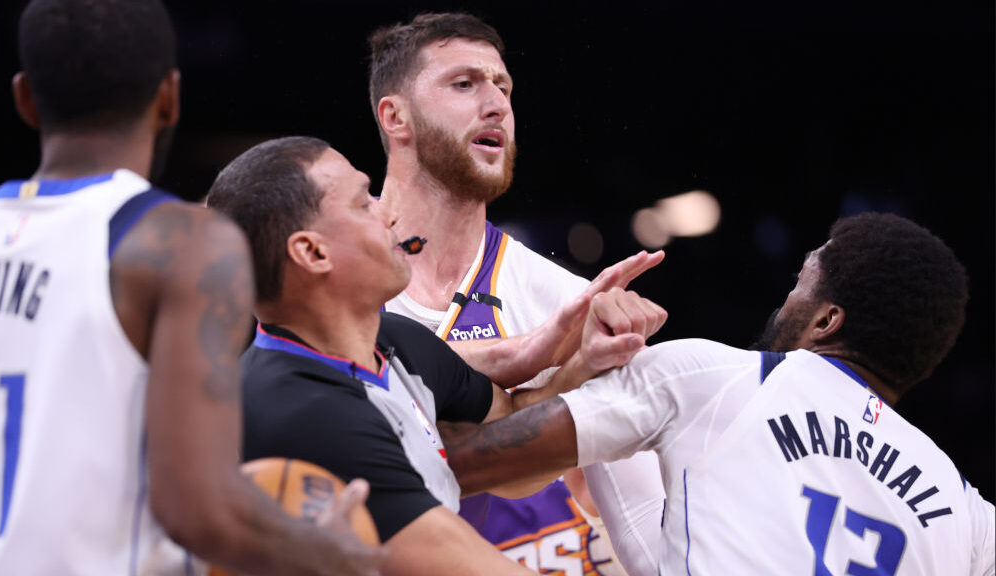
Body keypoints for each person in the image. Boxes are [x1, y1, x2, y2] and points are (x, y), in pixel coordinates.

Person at [0, 1, 383, 575]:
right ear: (169, 97)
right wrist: (337, 555)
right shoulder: (179, 242)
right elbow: (199, 510)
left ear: (23, 98)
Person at [204, 135, 667, 576]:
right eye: (364, 203)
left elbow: (512, 443)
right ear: (312, 252)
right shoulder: (303, 415)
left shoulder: (396, 343)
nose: (389, 215)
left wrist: (588, 364)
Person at [441, 212, 996, 575]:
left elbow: (464, 466)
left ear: (826, 320)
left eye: (799, 284)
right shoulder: (968, 510)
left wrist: (582, 363)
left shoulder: (713, 374)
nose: (784, 303)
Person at [366, 12, 665, 573]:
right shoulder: (322, 267)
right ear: (395, 116)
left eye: (503, 87)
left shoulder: (568, 302)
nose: (497, 103)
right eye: (464, 84)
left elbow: (651, 526)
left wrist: (576, 372)